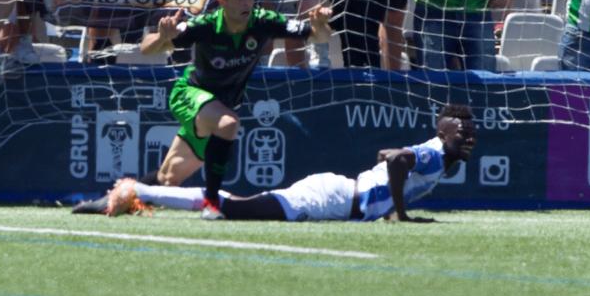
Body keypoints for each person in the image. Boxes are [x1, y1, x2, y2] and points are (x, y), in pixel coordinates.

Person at [124, 0, 332, 220]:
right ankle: (212, 204)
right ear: (222, 1)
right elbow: (147, 48)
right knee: (228, 123)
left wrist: (320, 25)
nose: (247, 2)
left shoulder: (263, 21)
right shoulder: (206, 25)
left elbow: (318, 36)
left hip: (218, 106)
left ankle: (118, 196)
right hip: (189, 95)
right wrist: (162, 37)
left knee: (168, 178)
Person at [104, 104, 477, 222]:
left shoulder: (438, 153)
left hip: (338, 193)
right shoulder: (434, 153)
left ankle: (144, 192)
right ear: (444, 134)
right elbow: (395, 160)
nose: (467, 138)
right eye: (461, 133)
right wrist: (401, 214)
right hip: (331, 200)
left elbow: (386, 157)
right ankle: (138, 189)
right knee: (226, 206)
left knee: (230, 206)